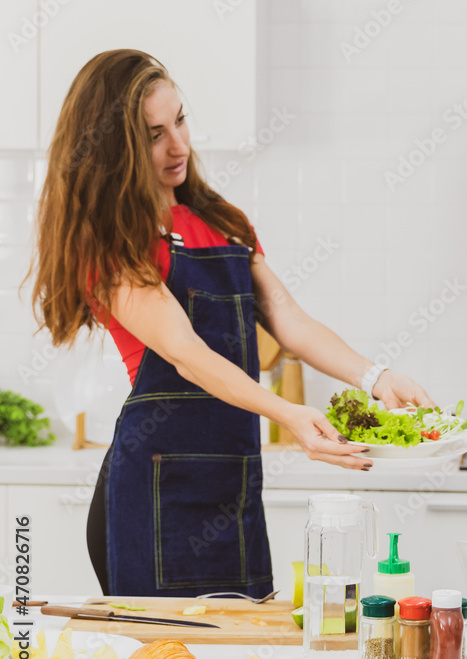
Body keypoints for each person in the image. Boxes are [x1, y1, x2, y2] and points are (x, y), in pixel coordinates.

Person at [30, 49, 434, 598]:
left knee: (238, 655)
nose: (178, 145)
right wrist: (287, 414)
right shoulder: (111, 246)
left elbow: (287, 318)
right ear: (114, 151)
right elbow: (183, 351)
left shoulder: (222, 221)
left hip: (231, 482)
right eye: (153, 134)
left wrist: (375, 376)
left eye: (180, 120)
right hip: (152, 491)